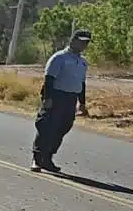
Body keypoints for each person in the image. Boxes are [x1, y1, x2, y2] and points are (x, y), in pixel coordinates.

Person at [32, 29, 91, 172]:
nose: (84, 45)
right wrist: (47, 98)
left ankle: (48, 158)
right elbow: (49, 79)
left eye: (87, 43)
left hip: (70, 99)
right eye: (82, 42)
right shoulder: (59, 58)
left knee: (63, 128)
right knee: (47, 126)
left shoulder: (82, 62)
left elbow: (81, 84)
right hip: (56, 96)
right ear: (73, 40)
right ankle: (37, 158)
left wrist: (82, 103)